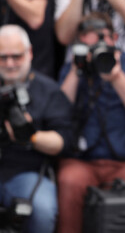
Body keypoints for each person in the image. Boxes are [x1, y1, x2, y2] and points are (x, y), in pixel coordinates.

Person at [57, 12, 125, 233]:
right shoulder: (74, 66)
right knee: (69, 181)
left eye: (101, 37)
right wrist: (76, 70)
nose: (95, 44)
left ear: (113, 38)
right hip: (81, 160)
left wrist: (117, 77)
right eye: (87, 39)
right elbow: (59, 111)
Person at [0, 25, 73, 233]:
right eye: (3, 57)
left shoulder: (48, 91)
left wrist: (30, 135)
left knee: (42, 210)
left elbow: (64, 141)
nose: (10, 63)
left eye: (16, 56)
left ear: (29, 53)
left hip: (28, 172)